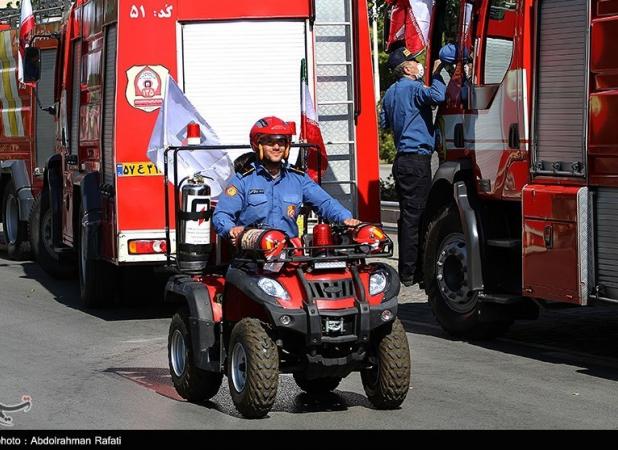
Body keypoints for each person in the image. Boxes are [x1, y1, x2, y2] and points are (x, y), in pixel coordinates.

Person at [213, 116, 360, 244]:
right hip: (252, 258)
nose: (277, 147)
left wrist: (345, 218)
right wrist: (231, 229)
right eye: (270, 142)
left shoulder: (298, 178)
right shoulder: (242, 180)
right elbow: (222, 214)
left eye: (282, 142)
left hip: (289, 256)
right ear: (257, 146)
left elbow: (325, 202)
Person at [380, 46, 446, 286]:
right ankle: (412, 272)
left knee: (409, 216)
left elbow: (384, 122)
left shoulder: (389, 94)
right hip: (416, 160)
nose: (419, 65)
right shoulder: (415, 89)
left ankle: (410, 269)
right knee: (417, 218)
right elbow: (439, 96)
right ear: (407, 68)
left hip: (402, 161)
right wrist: (437, 73)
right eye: (415, 62)